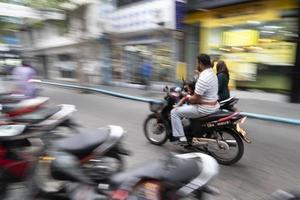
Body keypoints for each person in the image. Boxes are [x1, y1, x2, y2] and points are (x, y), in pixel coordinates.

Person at [170, 54, 219, 142]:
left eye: (197, 63)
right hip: (214, 106)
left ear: (200, 63)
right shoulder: (212, 74)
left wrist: (187, 97)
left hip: (204, 109)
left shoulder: (203, 78)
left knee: (174, 112)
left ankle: (181, 138)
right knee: (186, 109)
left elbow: (195, 99)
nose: (197, 65)